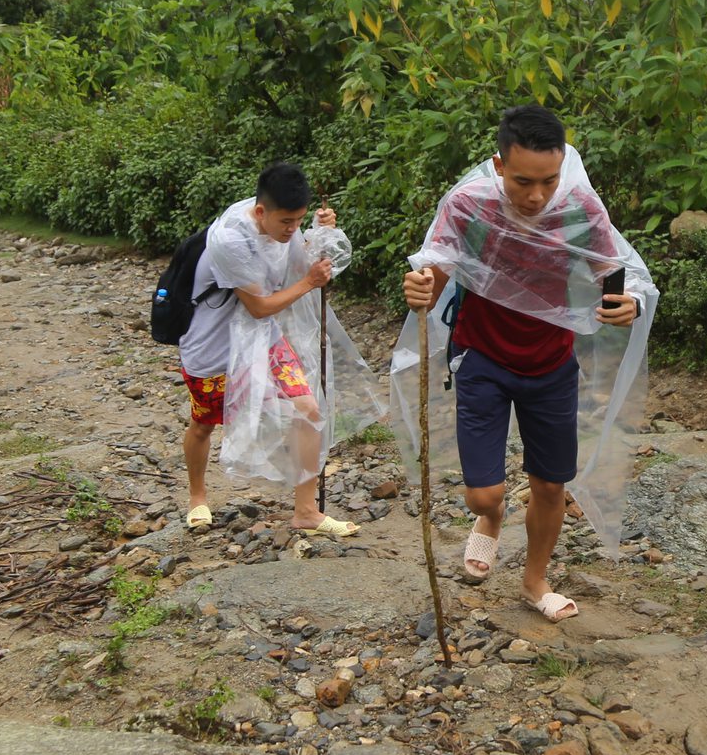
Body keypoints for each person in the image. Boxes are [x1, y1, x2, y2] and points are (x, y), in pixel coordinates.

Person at [397, 105, 658, 622]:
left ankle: (535, 581)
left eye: (548, 180)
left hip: (552, 361)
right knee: (482, 491)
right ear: (498, 165)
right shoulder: (469, 205)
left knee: (549, 484)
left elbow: (616, 271)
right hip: (482, 356)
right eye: (522, 181)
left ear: (563, 169)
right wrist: (421, 289)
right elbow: (439, 266)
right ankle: (491, 519)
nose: (537, 196)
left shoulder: (578, 207)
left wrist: (628, 302)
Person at [177, 162, 383, 534]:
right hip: (213, 347)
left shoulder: (279, 220)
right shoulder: (230, 240)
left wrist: (321, 233)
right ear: (260, 212)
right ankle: (197, 497)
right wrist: (309, 282)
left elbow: (298, 261)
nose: (292, 229)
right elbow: (259, 306)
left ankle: (306, 512)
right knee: (204, 423)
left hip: (262, 337)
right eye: (287, 222)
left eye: (298, 220)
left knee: (308, 407)